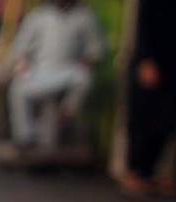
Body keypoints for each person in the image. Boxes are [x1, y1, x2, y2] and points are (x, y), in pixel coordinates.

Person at [122, 0, 176, 196]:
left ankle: (152, 173)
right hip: (151, 61)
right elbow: (143, 26)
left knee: (170, 118)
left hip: (175, 60)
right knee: (144, 117)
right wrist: (145, 59)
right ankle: (136, 172)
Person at [7, 0, 105, 150]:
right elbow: (19, 50)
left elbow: (95, 50)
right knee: (17, 88)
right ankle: (25, 138)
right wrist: (21, 65)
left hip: (69, 71)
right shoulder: (37, 16)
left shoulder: (85, 16)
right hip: (39, 72)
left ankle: (66, 113)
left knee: (84, 77)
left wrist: (87, 62)